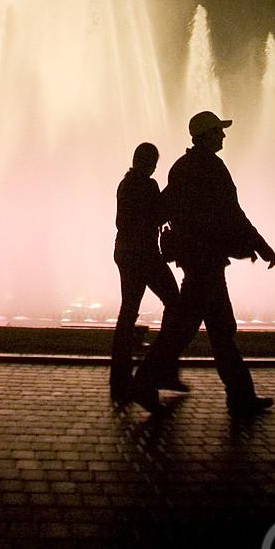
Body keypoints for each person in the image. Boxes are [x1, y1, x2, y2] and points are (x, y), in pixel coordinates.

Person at [125, 111, 275, 419]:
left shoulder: (182, 168)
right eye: (218, 132)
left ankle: (240, 396)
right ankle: (145, 382)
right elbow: (232, 213)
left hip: (197, 260)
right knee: (187, 330)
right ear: (206, 135)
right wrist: (259, 243)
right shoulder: (211, 167)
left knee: (220, 330)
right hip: (205, 262)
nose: (223, 136)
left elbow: (165, 208)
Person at [109, 142, 188, 402]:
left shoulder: (125, 183)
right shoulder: (146, 185)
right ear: (149, 162)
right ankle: (163, 366)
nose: (155, 165)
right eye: (153, 160)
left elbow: (123, 221)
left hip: (125, 253)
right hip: (143, 255)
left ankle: (119, 378)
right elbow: (156, 214)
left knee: (128, 310)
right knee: (174, 302)